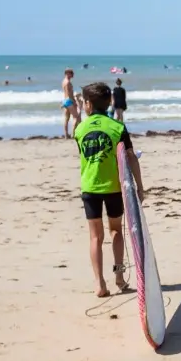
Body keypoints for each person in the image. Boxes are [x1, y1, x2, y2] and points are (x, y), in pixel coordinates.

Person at [74, 82, 144, 299]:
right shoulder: (117, 127)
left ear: (87, 105)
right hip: (114, 187)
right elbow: (130, 157)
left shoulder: (79, 129)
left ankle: (99, 283)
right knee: (115, 231)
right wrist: (139, 187)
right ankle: (120, 278)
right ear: (109, 103)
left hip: (89, 188)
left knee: (95, 236)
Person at [61, 69, 79, 136]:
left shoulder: (63, 81)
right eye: (72, 73)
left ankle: (66, 134)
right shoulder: (68, 82)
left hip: (65, 100)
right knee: (76, 117)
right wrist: (74, 102)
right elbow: (69, 94)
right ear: (67, 73)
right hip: (69, 100)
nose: (73, 75)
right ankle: (73, 134)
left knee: (67, 118)